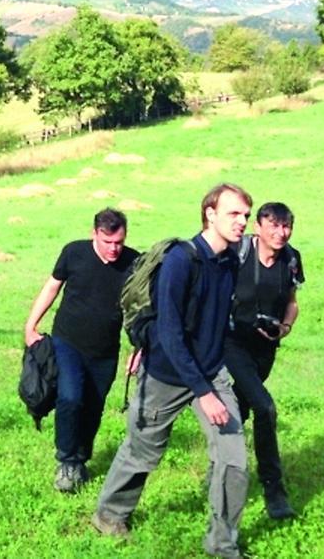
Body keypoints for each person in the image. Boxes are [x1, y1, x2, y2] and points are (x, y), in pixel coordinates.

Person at [94, 183, 252, 559]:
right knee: (142, 453)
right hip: (167, 373)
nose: (242, 222)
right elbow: (170, 331)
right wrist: (202, 391)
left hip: (211, 372)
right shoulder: (182, 261)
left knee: (233, 459)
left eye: (246, 215)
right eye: (234, 214)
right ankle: (109, 515)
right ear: (209, 214)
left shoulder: (231, 260)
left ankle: (222, 544)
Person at [22, 208, 140, 493]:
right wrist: (31, 325)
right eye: (107, 241)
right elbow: (52, 288)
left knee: (93, 407)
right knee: (71, 398)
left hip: (106, 350)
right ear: (94, 234)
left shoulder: (134, 262)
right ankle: (66, 461)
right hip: (68, 342)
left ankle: (81, 460)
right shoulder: (73, 253)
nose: (114, 248)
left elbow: (140, 307)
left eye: (119, 242)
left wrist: (140, 346)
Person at [224, 202, 305, 519]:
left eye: (286, 226)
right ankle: (275, 493)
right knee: (264, 407)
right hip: (233, 341)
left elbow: (293, 303)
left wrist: (284, 327)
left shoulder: (292, 259)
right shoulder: (238, 253)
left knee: (240, 409)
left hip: (265, 347)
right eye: (273, 225)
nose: (281, 233)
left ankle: (222, 471)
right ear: (258, 227)